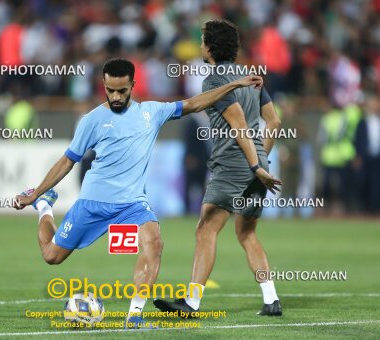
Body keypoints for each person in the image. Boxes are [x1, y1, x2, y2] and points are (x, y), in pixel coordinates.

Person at [13, 58, 262, 327]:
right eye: (110, 90)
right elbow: (67, 161)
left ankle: (134, 315)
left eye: (121, 90)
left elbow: (194, 103)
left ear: (133, 84)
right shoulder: (92, 120)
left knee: (154, 242)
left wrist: (234, 84)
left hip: (132, 204)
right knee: (51, 256)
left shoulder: (151, 112)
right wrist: (36, 193)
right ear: (104, 86)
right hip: (93, 202)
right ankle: (45, 207)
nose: (116, 96)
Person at [153, 19, 283, 317]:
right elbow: (274, 122)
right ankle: (271, 299)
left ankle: (192, 302)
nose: (200, 46)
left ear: (210, 47)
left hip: (233, 165)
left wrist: (253, 164)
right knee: (246, 233)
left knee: (205, 229)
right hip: (255, 165)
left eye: (202, 41)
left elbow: (237, 124)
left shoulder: (214, 80)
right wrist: (262, 160)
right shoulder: (250, 77)